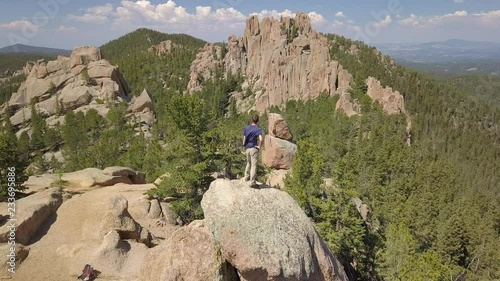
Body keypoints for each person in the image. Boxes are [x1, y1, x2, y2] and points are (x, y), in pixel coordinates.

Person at [243, 114, 263, 187]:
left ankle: (246, 177)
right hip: (254, 148)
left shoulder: (246, 128)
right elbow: (261, 139)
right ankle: (252, 182)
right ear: (257, 121)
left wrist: (244, 145)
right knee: (253, 165)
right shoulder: (258, 129)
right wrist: (259, 146)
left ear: (251, 120)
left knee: (248, 163)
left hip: (247, 148)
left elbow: (244, 138)